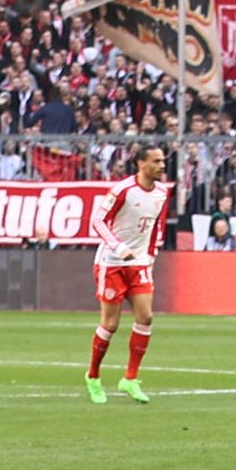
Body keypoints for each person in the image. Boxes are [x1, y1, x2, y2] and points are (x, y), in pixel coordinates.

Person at [87, 146, 175, 406]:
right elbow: (98, 221)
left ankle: (130, 378)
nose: (161, 165)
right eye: (156, 161)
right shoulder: (123, 190)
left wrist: (149, 254)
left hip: (139, 263)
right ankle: (93, 376)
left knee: (145, 317)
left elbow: (155, 226)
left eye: (162, 160)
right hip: (111, 263)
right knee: (110, 324)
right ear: (141, 163)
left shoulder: (162, 192)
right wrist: (118, 247)